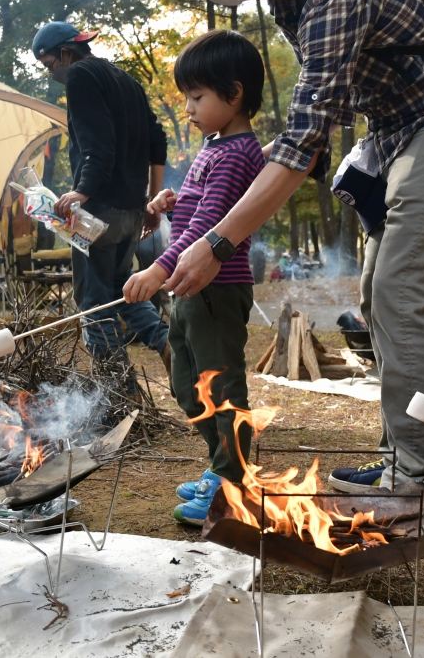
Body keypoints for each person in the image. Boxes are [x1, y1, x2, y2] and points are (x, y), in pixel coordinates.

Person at [143, 0, 424, 518]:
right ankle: (403, 458)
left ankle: (423, 483)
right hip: (399, 131)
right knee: (377, 293)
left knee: (401, 290)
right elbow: (327, 108)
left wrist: (216, 241)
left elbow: (301, 143)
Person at [121, 29, 267, 526]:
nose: (187, 107)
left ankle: (233, 480)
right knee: (187, 383)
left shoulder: (236, 152)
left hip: (216, 290)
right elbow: (201, 204)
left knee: (219, 385)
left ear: (235, 91)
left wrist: (159, 266)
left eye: (197, 96)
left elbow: (212, 225)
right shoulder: (216, 145)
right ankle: (219, 464)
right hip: (190, 288)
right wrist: (173, 201)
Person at [30, 21, 170, 363]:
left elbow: (98, 147)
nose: (52, 73)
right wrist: (150, 201)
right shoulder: (127, 81)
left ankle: (114, 389)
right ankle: (169, 345)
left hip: (98, 213)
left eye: (50, 64)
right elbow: (157, 140)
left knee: (93, 303)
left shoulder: (81, 76)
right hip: (131, 213)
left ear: (66, 52)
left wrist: (82, 192)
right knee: (124, 293)